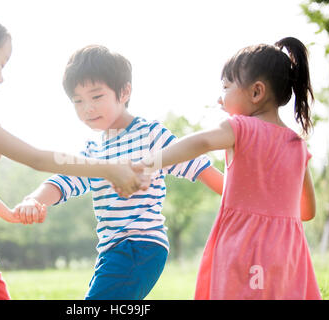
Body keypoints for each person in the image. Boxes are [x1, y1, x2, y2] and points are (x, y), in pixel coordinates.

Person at [0, 9, 147, 300]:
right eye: (1, 63)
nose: (1, 78)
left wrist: (8, 214)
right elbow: (36, 158)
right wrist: (109, 169)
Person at [15, 45, 224, 300]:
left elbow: (200, 167)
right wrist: (34, 199)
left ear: (124, 91)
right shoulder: (94, 149)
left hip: (139, 245)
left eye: (96, 96)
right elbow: (65, 180)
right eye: (77, 101)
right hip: (112, 249)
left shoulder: (149, 134)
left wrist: (245, 203)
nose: (87, 109)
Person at [137, 37, 321, 299]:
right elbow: (307, 211)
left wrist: (148, 163)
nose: (219, 99)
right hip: (288, 252)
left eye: (225, 87)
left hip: (243, 246)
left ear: (257, 92)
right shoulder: (298, 144)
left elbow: (200, 141)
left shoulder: (240, 128)